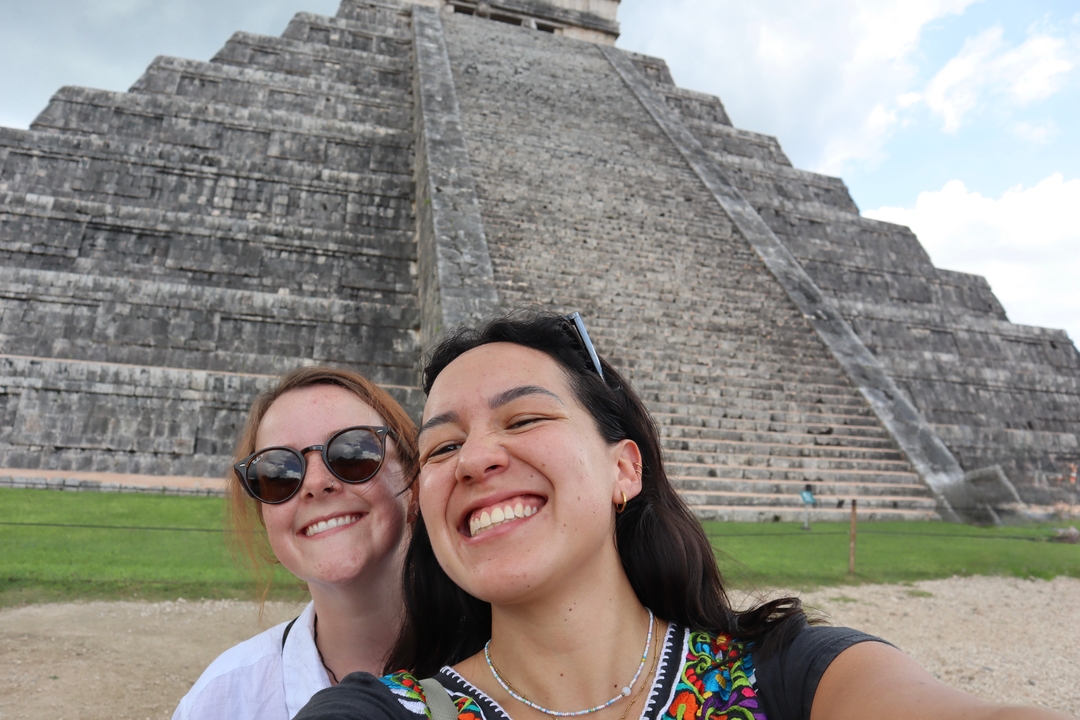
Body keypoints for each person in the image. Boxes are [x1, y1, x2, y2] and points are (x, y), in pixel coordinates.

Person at [295, 311, 1074, 720]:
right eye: (441, 447)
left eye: (524, 420)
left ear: (623, 468)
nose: (474, 460)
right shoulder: (388, 711)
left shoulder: (787, 676)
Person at [172, 366, 418, 720]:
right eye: (277, 472)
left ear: (416, 485)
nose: (316, 483)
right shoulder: (222, 700)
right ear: (266, 517)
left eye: (353, 453)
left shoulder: (513, 670)